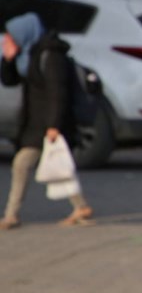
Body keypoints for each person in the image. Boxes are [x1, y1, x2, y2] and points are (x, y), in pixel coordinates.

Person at [1, 12, 93, 229]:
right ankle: (81, 206)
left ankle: (11, 215)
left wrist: (54, 126)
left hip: (49, 123)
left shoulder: (51, 55)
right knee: (57, 166)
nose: (8, 41)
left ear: (25, 34)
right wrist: (7, 59)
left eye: (11, 37)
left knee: (22, 164)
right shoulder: (28, 55)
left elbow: (58, 92)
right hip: (36, 122)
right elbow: (10, 80)